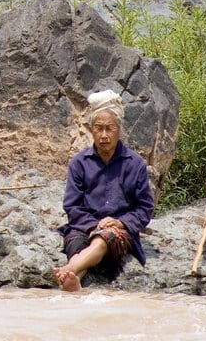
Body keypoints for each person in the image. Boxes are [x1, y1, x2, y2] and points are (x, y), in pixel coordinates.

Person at [53, 89, 155, 292]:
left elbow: (145, 208)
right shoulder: (79, 163)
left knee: (102, 240)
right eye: (98, 129)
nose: (104, 135)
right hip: (84, 227)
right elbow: (72, 206)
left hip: (117, 231)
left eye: (110, 128)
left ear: (119, 129)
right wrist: (94, 224)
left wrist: (119, 222)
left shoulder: (134, 164)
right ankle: (73, 284)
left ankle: (67, 270)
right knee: (76, 247)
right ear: (91, 130)